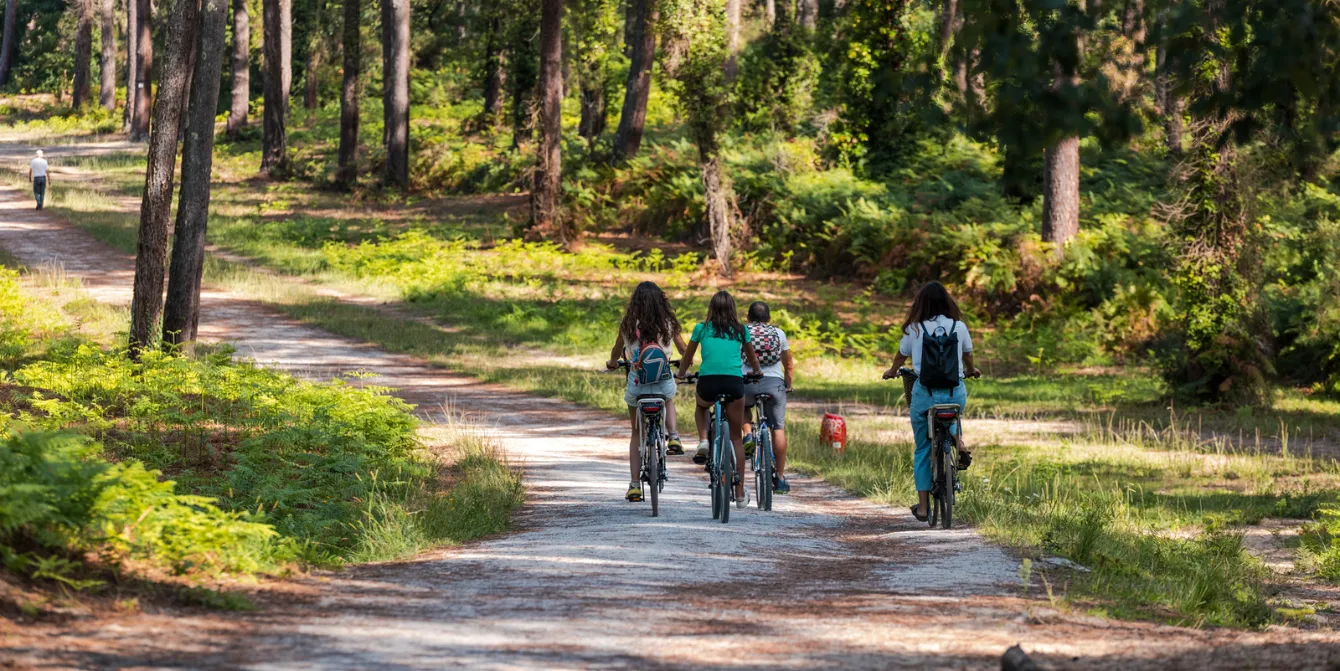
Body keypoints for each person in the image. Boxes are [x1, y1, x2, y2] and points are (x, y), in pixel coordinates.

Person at [881, 281, 980, 522]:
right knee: (951, 417)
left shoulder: (914, 328)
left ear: (921, 304)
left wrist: (893, 371)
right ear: (947, 302)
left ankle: (924, 507)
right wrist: (970, 369)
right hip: (953, 392)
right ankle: (959, 442)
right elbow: (967, 355)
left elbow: (901, 354)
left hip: (924, 393)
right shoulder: (959, 326)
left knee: (923, 448)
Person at [676, 290, 762, 509]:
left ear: (711, 308)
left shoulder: (701, 329)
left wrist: (682, 373)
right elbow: (751, 357)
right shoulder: (741, 330)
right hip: (733, 383)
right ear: (733, 308)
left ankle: (704, 439)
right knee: (735, 438)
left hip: (708, 382)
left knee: (701, 406)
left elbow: (688, 357)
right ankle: (740, 493)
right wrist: (757, 371)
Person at [608, 281, 688, 503]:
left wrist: (613, 362)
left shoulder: (627, 325)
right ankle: (673, 436)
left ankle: (634, 485)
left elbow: (616, 351)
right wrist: (684, 364)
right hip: (662, 381)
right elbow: (683, 349)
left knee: (636, 433)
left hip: (638, 383)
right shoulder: (668, 324)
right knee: (669, 399)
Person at [741, 301, 794, 494]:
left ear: (748, 317)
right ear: (769, 318)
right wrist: (788, 384)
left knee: (743, 407)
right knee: (778, 428)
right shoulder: (778, 333)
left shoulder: (742, 331)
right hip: (774, 384)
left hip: (747, 381)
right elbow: (788, 364)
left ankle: (747, 434)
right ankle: (779, 478)